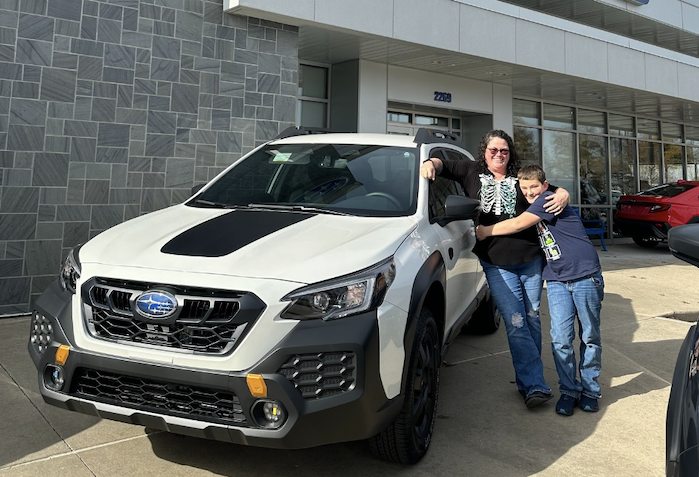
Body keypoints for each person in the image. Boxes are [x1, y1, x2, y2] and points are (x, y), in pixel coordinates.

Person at [420, 130, 569, 408]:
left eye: (504, 151)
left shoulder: (520, 174)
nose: (499, 155)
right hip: (495, 261)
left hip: (530, 258)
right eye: (494, 150)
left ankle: (528, 381)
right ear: (484, 151)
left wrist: (564, 194)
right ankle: (535, 384)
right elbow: (443, 163)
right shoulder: (470, 170)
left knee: (532, 318)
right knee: (515, 322)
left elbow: (549, 188)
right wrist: (430, 164)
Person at [476, 165, 604, 416]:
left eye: (534, 186)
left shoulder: (548, 200)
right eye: (524, 189)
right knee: (560, 339)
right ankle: (569, 390)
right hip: (555, 280)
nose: (530, 192)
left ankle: (590, 390)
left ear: (545, 186)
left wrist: (484, 231)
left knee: (589, 336)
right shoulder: (536, 200)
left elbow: (518, 223)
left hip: (585, 276)